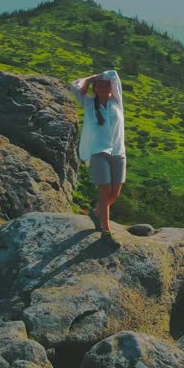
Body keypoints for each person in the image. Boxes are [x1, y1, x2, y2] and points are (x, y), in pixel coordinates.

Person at [70, 69, 125, 240]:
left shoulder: (116, 102)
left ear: (110, 87)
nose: (103, 87)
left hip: (118, 152)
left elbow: (114, 74)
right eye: (99, 86)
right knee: (104, 191)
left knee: (115, 194)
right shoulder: (88, 103)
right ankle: (106, 231)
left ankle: (97, 212)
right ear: (95, 89)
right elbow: (73, 86)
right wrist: (90, 79)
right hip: (98, 152)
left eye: (105, 85)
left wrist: (98, 76)